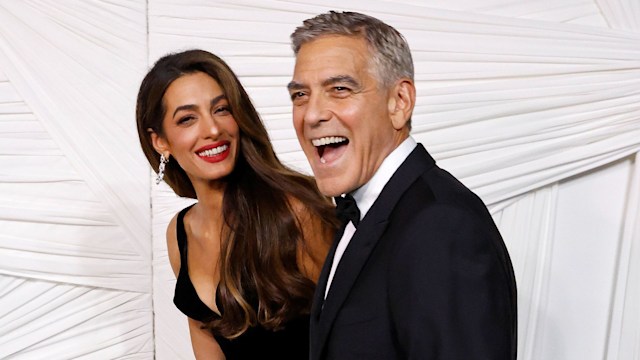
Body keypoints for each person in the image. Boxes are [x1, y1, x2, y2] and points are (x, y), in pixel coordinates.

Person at [287, 11, 518, 360]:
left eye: (339, 89)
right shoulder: (364, 210)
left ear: (399, 102)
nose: (312, 114)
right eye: (300, 95)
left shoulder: (441, 226)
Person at [136, 49, 336, 359]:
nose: (213, 129)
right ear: (160, 142)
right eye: (188, 118)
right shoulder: (180, 234)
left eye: (221, 109)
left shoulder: (296, 211)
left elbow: (361, 329)